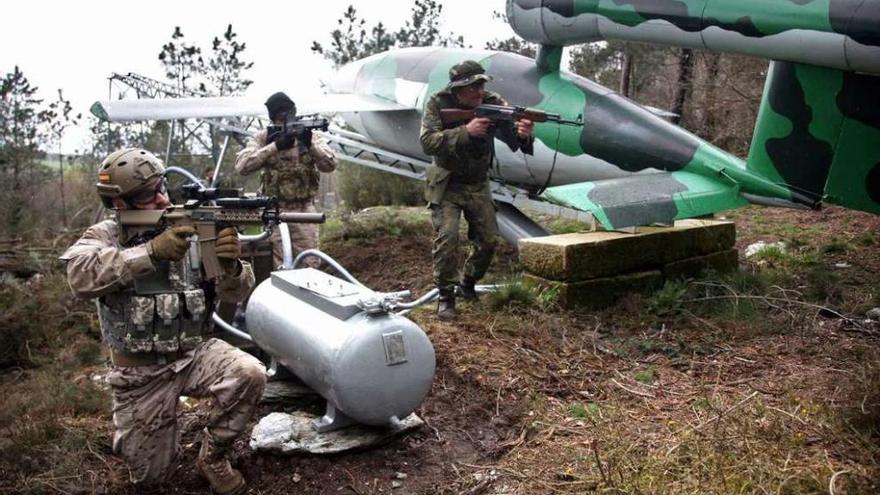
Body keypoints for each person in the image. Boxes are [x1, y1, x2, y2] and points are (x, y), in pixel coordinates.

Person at [60, 148, 264, 495]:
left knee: (250, 373)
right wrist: (151, 252)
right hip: (139, 375)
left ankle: (213, 455)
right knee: (153, 481)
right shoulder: (106, 235)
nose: (160, 199)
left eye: (162, 188)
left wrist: (230, 266)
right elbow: (79, 276)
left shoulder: (194, 226)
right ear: (120, 203)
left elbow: (236, 294)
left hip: (194, 354)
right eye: (146, 195)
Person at [420, 60, 535, 320]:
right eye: (473, 87)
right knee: (447, 238)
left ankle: (468, 283)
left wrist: (525, 133)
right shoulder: (438, 103)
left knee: (488, 239)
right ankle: (445, 296)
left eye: (481, 85)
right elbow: (427, 142)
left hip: (477, 182)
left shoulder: (493, 102)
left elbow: (514, 140)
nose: (479, 91)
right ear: (458, 89)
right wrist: (465, 131)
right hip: (446, 182)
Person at [235, 92, 337, 268]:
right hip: (276, 210)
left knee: (310, 263)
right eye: (280, 117)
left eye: (288, 114)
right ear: (273, 119)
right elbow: (242, 166)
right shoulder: (263, 137)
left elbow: (330, 164)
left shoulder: (310, 136)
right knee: (280, 263)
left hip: (304, 209)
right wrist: (275, 146)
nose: (285, 120)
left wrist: (310, 145)